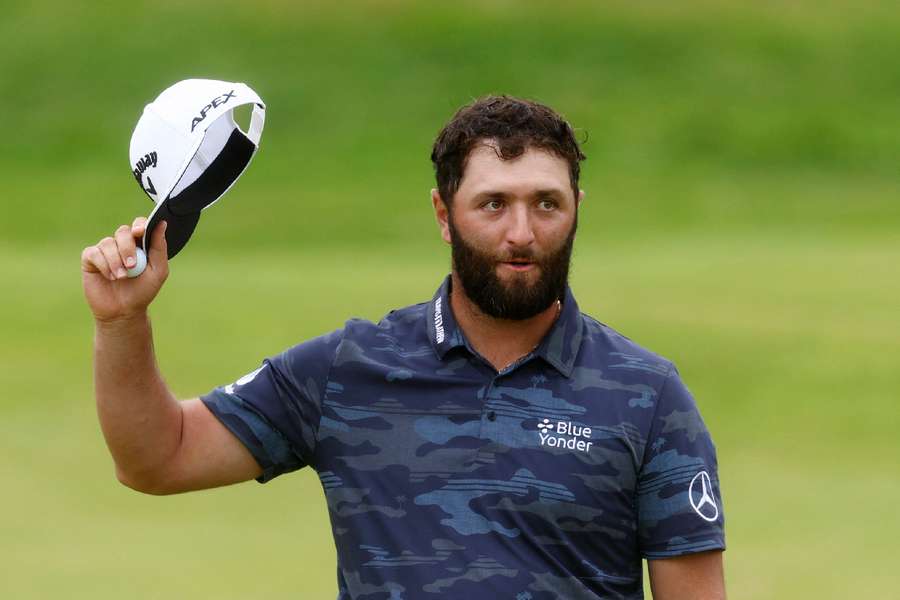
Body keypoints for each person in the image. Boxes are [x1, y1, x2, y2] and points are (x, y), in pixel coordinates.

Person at [82, 96, 726, 599]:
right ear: (444, 215)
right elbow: (156, 459)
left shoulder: (647, 395)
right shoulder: (350, 370)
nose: (522, 232)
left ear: (577, 210)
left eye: (547, 204)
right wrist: (121, 323)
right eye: (493, 204)